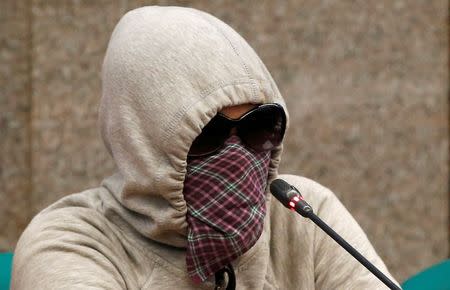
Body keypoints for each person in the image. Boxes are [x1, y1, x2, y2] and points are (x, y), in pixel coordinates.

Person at [11, 6, 399, 290]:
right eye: (208, 134)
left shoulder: (303, 213)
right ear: (142, 141)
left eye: (258, 126)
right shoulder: (68, 243)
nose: (236, 156)